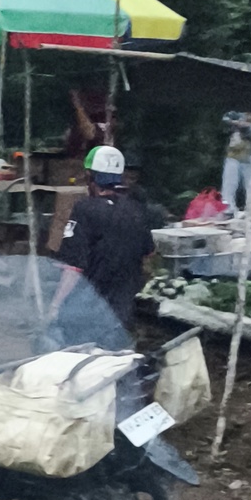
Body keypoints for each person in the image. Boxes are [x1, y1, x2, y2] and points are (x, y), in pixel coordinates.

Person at [49, 143, 153, 348]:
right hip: (122, 312)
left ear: (90, 176)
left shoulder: (84, 209)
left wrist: (55, 305)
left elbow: (73, 267)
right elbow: (149, 253)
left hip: (88, 310)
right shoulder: (135, 209)